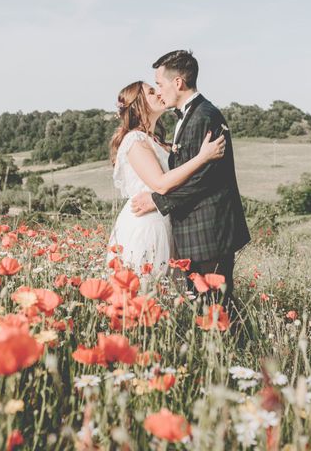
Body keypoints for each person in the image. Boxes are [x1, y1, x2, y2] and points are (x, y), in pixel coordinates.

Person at [130, 50, 251, 317]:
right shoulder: (189, 116)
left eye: (159, 84)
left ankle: (227, 356)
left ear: (178, 83)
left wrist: (157, 200)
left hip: (209, 232)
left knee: (215, 311)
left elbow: (204, 177)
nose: (159, 91)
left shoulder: (204, 116)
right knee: (205, 308)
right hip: (195, 233)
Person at [107, 80, 226, 275]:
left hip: (163, 219)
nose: (160, 94)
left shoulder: (154, 140)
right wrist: (203, 157)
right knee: (145, 287)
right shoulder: (134, 140)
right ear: (139, 104)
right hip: (146, 223)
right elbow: (161, 184)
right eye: (152, 92)